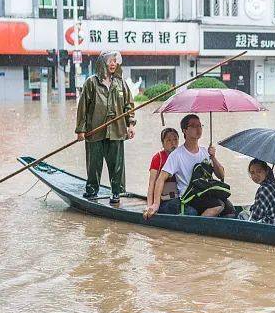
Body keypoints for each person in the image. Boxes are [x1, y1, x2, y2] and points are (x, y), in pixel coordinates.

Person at [76, 50, 135, 204]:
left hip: (116, 130)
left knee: (117, 165)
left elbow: (129, 105)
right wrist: (81, 130)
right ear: (102, 63)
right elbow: (82, 107)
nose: (113, 63)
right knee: (94, 164)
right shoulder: (91, 82)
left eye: (115, 61)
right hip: (95, 131)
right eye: (110, 60)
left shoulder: (120, 83)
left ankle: (117, 192)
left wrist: (131, 124)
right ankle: (91, 191)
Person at [143, 114, 229, 218]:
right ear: (185, 130)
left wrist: (213, 157)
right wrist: (155, 204)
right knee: (218, 206)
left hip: (205, 192)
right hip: (189, 196)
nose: (198, 128)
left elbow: (221, 175)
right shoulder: (176, 155)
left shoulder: (205, 152)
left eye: (199, 125)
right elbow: (160, 179)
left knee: (230, 210)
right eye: (193, 126)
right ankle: (197, 227)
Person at [146, 127, 179, 214]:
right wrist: (149, 206)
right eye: (169, 140)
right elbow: (151, 183)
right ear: (163, 143)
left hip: (178, 196)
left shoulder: (180, 156)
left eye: (175, 139)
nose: (173, 143)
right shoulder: (158, 158)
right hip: (162, 200)